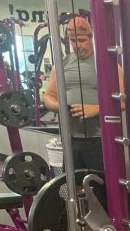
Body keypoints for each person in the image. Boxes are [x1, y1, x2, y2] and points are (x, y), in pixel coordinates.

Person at [43, 16, 125, 172]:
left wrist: (96, 109)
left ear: (91, 37)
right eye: (73, 41)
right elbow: (48, 96)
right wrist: (58, 107)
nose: (77, 45)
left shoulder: (108, 64)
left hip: (100, 138)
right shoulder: (62, 64)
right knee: (74, 184)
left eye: (81, 40)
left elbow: (122, 102)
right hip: (72, 138)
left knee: (101, 187)